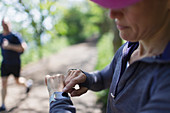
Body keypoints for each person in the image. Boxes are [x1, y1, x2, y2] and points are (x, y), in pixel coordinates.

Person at [45, 0, 170, 112]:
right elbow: (106, 77)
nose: (112, 14)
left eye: (128, 3)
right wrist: (87, 79)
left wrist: (58, 97)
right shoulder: (129, 48)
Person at [0, 18, 33, 112]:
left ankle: (27, 84)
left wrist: (9, 46)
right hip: (5, 64)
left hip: (15, 64)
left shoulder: (15, 36)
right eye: (3, 25)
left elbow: (23, 48)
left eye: (6, 24)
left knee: (17, 81)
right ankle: (3, 104)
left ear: (9, 24)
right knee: (3, 83)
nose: (5, 26)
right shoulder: (1, 36)